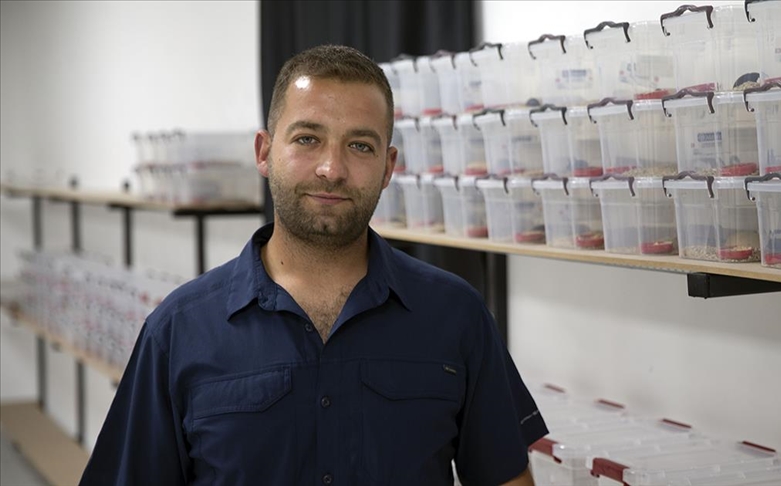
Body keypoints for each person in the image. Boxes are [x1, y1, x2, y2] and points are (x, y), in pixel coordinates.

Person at [80, 44, 547, 486]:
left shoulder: (456, 315)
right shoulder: (177, 331)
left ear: (388, 167)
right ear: (264, 152)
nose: (331, 169)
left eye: (359, 146)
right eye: (307, 139)